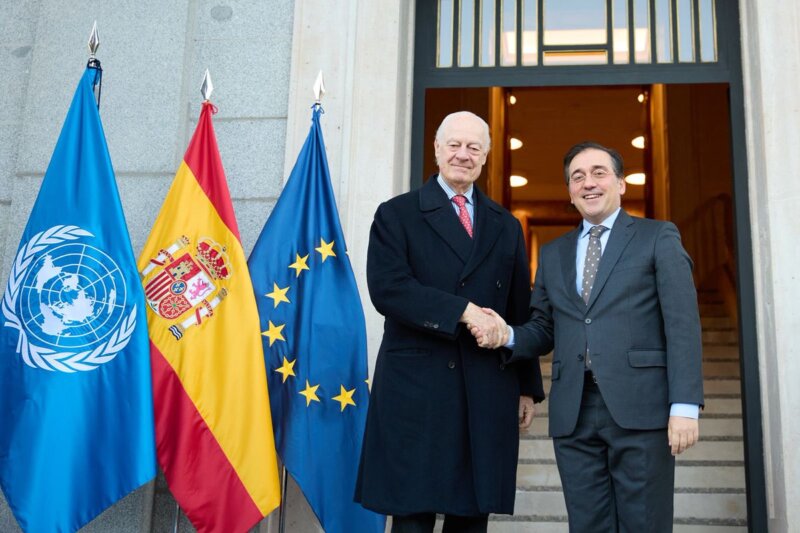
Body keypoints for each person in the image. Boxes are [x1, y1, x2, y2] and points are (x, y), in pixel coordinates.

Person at [472, 141, 704, 532]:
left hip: (642, 408)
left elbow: (682, 324)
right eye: (577, 177)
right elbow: (545, 328)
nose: (588, 183)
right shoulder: (553, 253)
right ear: (569, 192)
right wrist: (506, 334)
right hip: (574, 413)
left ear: (621, 183)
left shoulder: (658, 237)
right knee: (587, 526)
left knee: (644, 524)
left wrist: (684, 406)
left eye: (599, 173)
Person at [355, 111, 544, 533]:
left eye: (474, 147)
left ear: (486, 156)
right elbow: (388, 288)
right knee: (412, 516)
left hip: (486, 384)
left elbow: (519, 308)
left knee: (471, 516)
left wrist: (527, 387)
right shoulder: (397, 214)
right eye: (454, 145)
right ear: (437, 149)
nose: (463, 154)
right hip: (417, 386)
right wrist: (463, 310)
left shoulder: (506, 225)